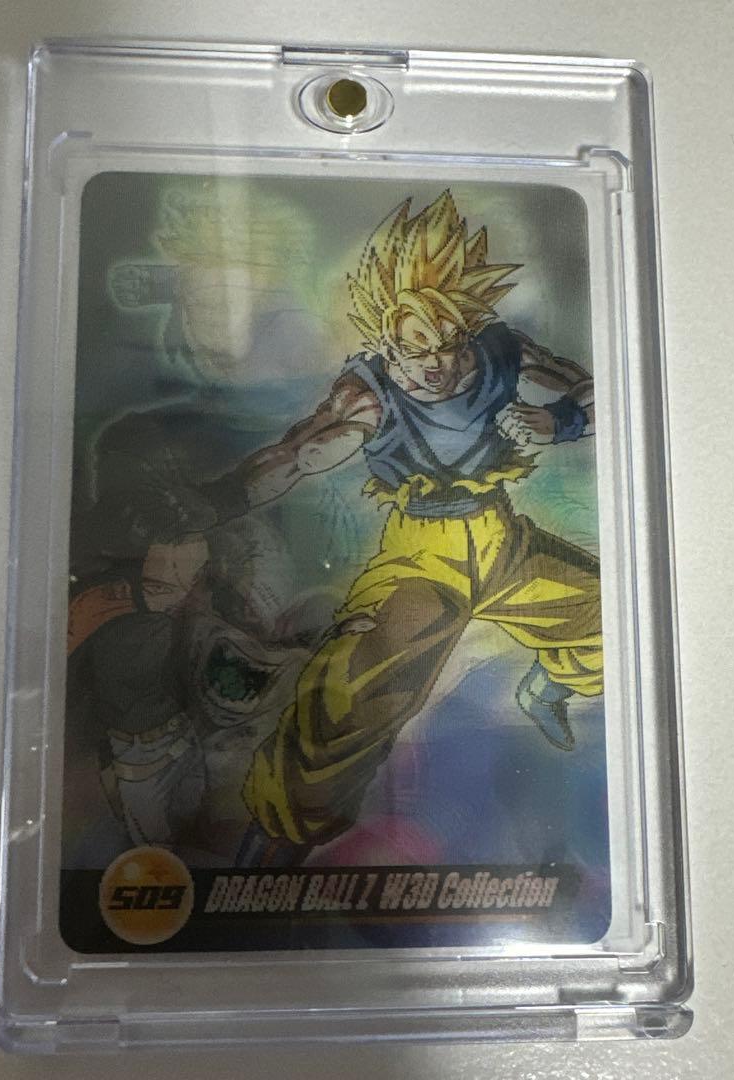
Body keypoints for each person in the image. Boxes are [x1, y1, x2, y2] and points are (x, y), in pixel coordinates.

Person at [147, 191, 603, 866]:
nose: (438, 364)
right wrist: (211, 504)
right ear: (387, 333)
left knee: (606, 618)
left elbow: (600, 392)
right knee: (354, 701)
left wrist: (559, 421)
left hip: (502, 539)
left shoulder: (502, 353)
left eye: (451, 342)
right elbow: (296, 457)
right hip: (423, 556)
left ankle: (548, 688)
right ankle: (277, 839)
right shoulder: (369, 392)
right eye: (419, 346)